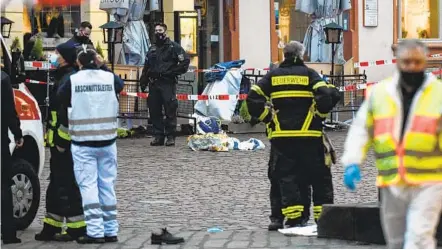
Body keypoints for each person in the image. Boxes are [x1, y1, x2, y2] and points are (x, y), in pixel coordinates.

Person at [342, 39, 442, 249]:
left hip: (429, 180)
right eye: (407, 61)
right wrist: (352, 161)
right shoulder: (380, 93)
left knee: (419, 238)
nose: (412, 66)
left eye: (416, 61)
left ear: (424, 61)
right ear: (398, 61)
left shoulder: (438, 94)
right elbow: (361, 128)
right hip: (391, 180)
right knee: (395, 241)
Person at [246, 41, 339, 228]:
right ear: (302, 55)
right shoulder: (310, 74)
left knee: (285, 176)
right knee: (318, 177)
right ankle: (324, 218)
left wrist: (268, 118)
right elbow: (327, 96)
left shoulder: (273, 76)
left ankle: (292, 217)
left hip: (282, 136)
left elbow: (252, 98)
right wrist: (318, 116)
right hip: (309, 136)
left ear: (284, 55)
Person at [57, 44, 123, 244]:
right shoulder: (109, 77)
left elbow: (60, 98)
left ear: (78, 62)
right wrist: (103, 67)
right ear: (97, 60)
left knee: (88, 186)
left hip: (83, 142)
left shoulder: (73, 80)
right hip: (107, 141)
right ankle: (111, 230)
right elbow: (119, 86)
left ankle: (95, 232)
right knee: (107, 185)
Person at [35, 42, 86, 242]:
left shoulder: (69, 79)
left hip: (64, 143)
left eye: (56, 54)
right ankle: (52, 225)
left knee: (67, 184)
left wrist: (62, 142)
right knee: (56, 183)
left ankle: (76, 227)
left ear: (64, 57)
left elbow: (67, 114)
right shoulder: (65, 76)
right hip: (59, 142)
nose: (53, 57)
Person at [140, 23, 190, 146]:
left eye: (160, 30)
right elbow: (147, 66)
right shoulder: (152, 48)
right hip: (154, 83)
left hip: (167, 82)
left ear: (165, 31)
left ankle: (170, 136)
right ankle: (158, 136)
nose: (158, 33)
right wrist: (143, 80)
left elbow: (185, 62)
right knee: (154, 110)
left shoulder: (174, 47)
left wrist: (172, 72)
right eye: (156, 30)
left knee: (170, 109)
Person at [1, 70, 23, 244]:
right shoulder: (2, 79)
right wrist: (17, 133)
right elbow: (9, 110)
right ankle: (8, 233)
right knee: (3, 186)